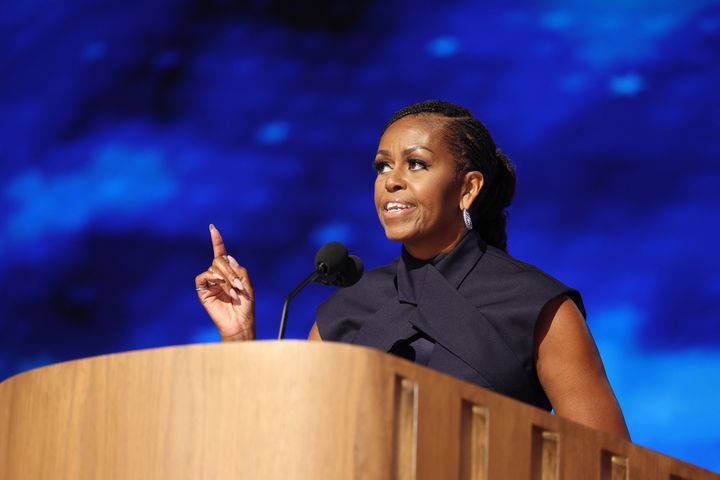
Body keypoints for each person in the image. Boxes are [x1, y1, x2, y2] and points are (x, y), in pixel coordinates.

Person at [195, 100, 630, 440]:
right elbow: (284, 441)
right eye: (383, 166)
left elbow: (607, 461)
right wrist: (239, 337)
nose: (391, 180)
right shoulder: (346, 309)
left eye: (416, 163)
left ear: (468, 188)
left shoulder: (537, 305)